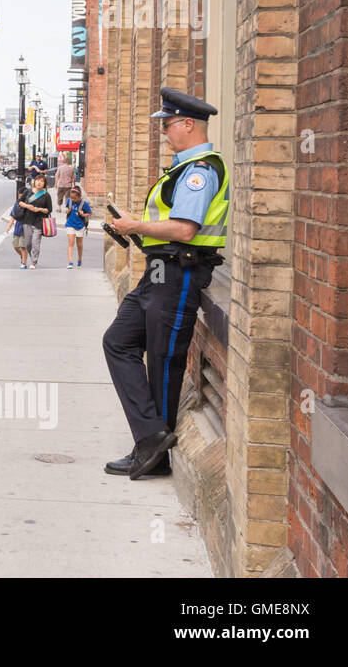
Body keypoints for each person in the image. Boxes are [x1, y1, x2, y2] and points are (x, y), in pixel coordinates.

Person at [101, 88, 228, 480]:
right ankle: (152, 438)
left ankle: (154, 453)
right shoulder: (181, 169)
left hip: (179, 274)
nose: (164, 132)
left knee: (163, 362)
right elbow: (169, 231)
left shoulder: (200, 171)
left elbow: (185, 230)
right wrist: (135, 230)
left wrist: (135, 225)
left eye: (168, 124)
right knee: (118, 341)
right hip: (158, 271)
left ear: (188, 124)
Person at [16, 173, 52, 269]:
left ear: (44, 184)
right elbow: (19, 202)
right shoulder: (27, 192)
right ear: (34, 181)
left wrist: (39, 209)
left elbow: (49, 209)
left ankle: (33, 262)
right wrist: (28, 206)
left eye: (42, 181)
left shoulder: (46, 195)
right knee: (28, 243)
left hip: (39, 222)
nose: (39, 182)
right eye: (38, 180)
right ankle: (32, 256)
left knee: (36, 243)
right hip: (27, 220)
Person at [64, 186, 92, 267]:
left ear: (79, 196)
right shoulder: (69, 201)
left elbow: (89, 213)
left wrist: (83, 214)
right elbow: (66, 210)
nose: (73, 200)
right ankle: (70, 262)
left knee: (79, 244)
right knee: (71, 243)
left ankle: (79, 259)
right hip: (70, 224)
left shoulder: (84, 204)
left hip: (80, 225)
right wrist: (67, 211)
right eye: (71, 198)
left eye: (75, 198)